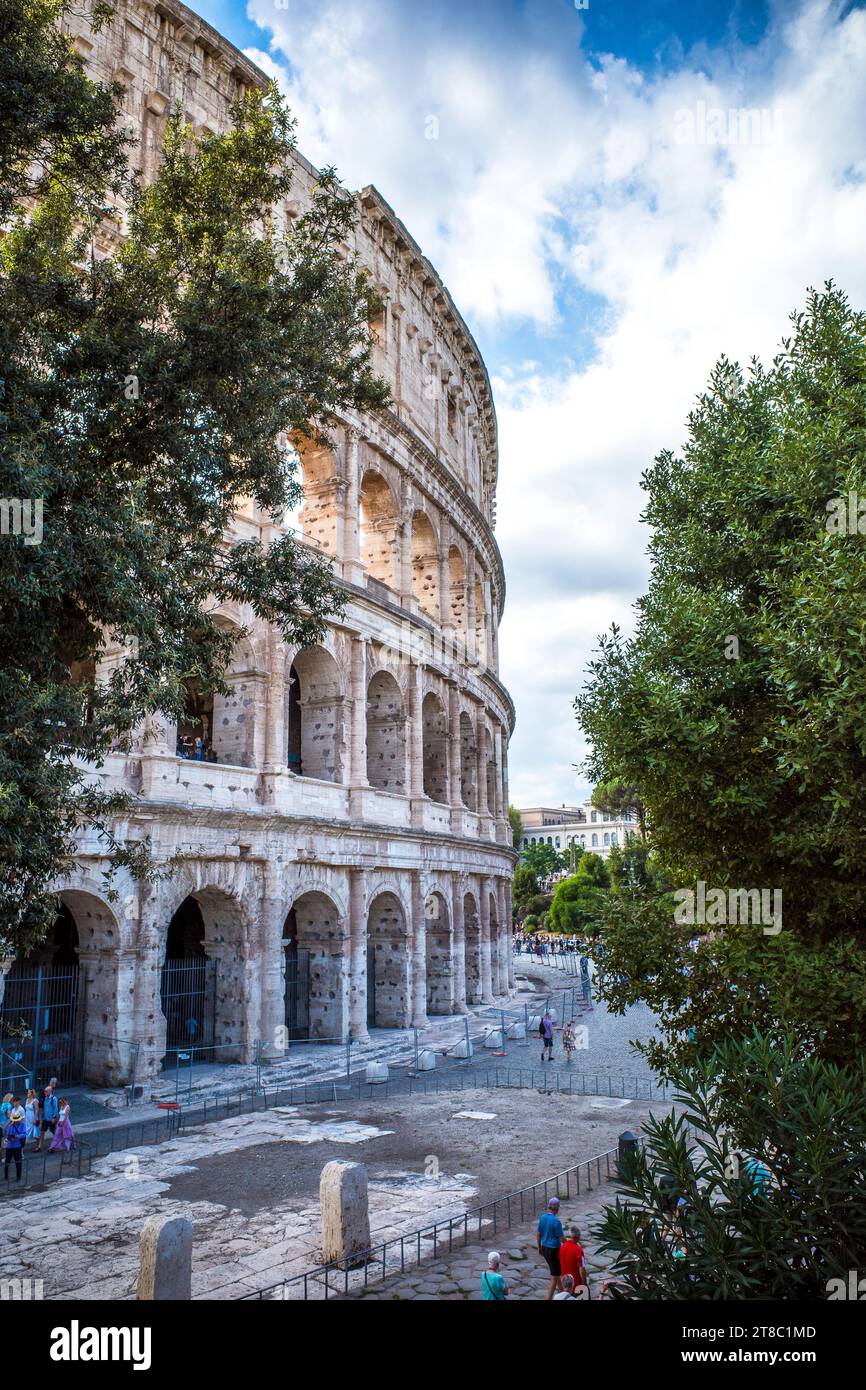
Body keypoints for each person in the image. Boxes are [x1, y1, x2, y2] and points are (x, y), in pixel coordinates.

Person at [537, 1196, 564, 1300]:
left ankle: (562, 1290)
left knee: (555, 1271)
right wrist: (569, 1243)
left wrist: (539, 1248)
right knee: (555, 1275)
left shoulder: (542, 1218)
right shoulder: (556, 1221)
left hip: (545, 1248)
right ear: (557, 1208)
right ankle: (548, 1298)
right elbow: (561, 1238)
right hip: (554, 1250)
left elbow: (539, 1234)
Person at [3, 1102, 26, 1182]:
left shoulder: (23, 1125)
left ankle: (18, 1177)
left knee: (18, 1163)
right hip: (9, 1146)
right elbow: (8, 1135)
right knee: (7, 1162)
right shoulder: (10, 1126)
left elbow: (24, 1134)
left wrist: (17, 1136)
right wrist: (10, 1137)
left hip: (17, 1146)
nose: (16, 1122)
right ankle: (6, 1176)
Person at [559, 1225, 587, 1292]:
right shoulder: (579, 1250)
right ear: (579, 1237)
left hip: (565, 1282)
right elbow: (582, 1269)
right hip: (575, 1284)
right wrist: (584, 1282)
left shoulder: (562, 1247)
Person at [37, 1085, 59, 1152]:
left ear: (50, 1091)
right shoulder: (45, 1098)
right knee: (42, 1132)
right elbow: (43, 1108)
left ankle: (55, 1146)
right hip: (45, 1119)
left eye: (46, 1091)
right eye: (44, 1091)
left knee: (54, 1132)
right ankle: (40, 1147)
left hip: (51, 1119)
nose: (44, 1092)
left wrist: (54, 1117)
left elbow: (56, 1109)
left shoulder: (54, 1099)